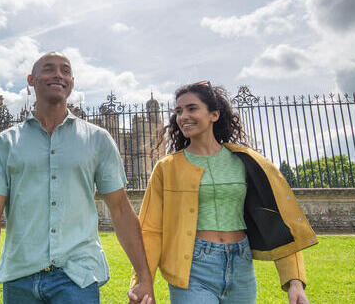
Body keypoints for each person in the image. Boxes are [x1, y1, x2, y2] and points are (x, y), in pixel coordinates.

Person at [0, 52, 154, 304]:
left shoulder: (98, 139)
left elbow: (120, 209)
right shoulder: (4, 143)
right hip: (20, 275)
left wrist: (144, 277)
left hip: (77, 277)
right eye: (48, 69)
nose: (58, 74)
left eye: (65, 71)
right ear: (31, 79)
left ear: (72, 82)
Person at [129, 81, 317, 304]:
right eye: (178, 111)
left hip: (240, 264)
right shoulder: (166, 168)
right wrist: (142, 281)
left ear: (214, 115)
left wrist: (294, 281)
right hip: (193, 268)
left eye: (192, 108)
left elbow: (278, 221)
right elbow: (150, 230)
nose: (183, 116)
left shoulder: (246, 161)